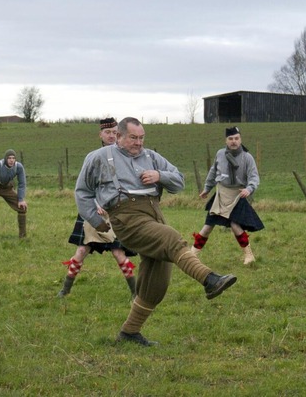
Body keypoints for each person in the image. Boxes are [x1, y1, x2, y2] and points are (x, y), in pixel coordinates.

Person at [75, 117, 237, 347]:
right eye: (133, 138)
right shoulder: (99, 157)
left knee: (158, 276)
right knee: (171, 238)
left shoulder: (151, 157)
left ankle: (129, 332)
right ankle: (209, 279)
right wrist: (95, 219)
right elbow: (82, 191)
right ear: (119, 136)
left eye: (141, 138)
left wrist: (159, 176)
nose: (138, 142)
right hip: (127, 217)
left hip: (154, 214)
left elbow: (179, 181)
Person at [58, 117, 138, 299]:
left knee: (118, 253)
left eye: (114, 132)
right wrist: (95, 205)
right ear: (100, 135)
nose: (111, 136)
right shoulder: (93, 157)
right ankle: (65, 290)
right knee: (81, 251)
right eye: (107, 132)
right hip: (92, 211)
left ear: (119, 134)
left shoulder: (127, 156)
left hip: (116, 212)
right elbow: (85, 187)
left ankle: (136, 293)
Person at [190, 126, 264, 265]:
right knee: (207, 226)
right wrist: (207, 188)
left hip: (238, 195)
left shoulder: (247, 157)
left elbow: (254, 177)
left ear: (240, 139)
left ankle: (249, 255)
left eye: (236, 138)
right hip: (221, 193)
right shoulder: (220, 154)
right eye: (230, 138)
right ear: (226, 140)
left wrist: (249, 189)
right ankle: (192, 255)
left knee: (235, 225)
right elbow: (213, 172)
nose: (233, 141)